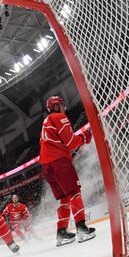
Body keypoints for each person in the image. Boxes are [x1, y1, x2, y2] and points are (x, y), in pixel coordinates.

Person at [40, 96, 95, 246]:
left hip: (47, 166)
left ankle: (62, 232)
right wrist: (85, 137)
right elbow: (70, 142)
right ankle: (81, 228)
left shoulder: (46, 122)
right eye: (62, 105)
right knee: (74, 193)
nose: (64, 108)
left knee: (65, 199)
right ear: (57, 106)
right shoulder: (60, 117)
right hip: (59, 162)